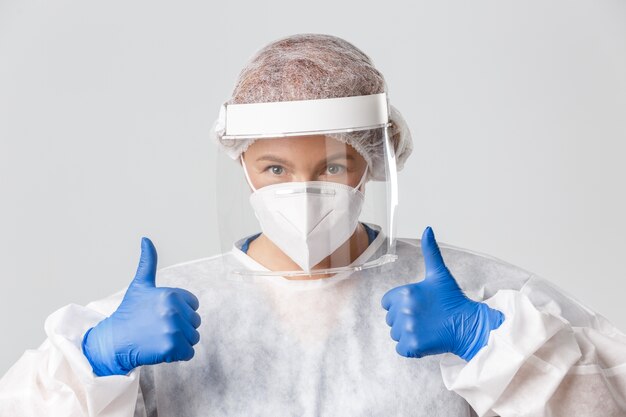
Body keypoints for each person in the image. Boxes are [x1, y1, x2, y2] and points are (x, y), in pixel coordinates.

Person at [1, 33, 625, 417]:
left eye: (330, 165)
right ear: (242, 169)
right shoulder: (163, 312)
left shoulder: (477, 297)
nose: (300, 191)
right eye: (274, 167)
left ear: (373, 164)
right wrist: (94, 364)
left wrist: (493, 346)